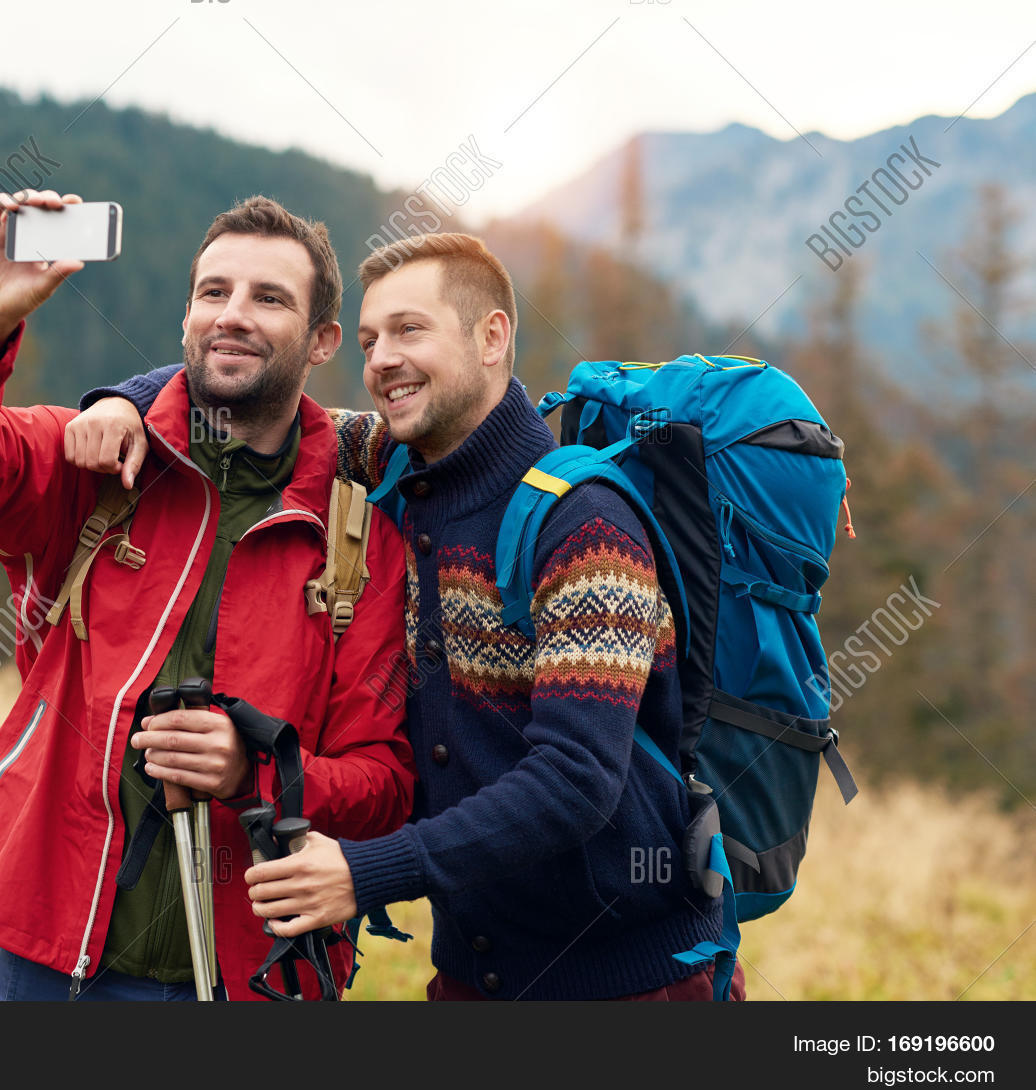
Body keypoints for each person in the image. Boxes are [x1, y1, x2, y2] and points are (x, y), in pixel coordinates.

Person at [68, 232, 744, 1000]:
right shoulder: (388, 460)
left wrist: (367, 869)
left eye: (410, 330)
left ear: (492, 338)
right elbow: (256, 390)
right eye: (369, 338)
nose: (383, 357)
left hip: (632, 983)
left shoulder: (585, 524)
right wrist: (122, 399)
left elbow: (577, 778)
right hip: (473, 974)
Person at [0, 189, 414, 1001]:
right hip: (55, 962)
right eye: (214, 291)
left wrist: (259, 768)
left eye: (268, 298)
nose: (233, 315)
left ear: (322, 341)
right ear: (185, 319)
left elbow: (383, 784)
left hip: (255, 978)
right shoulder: (96, 468)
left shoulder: (357, 539)